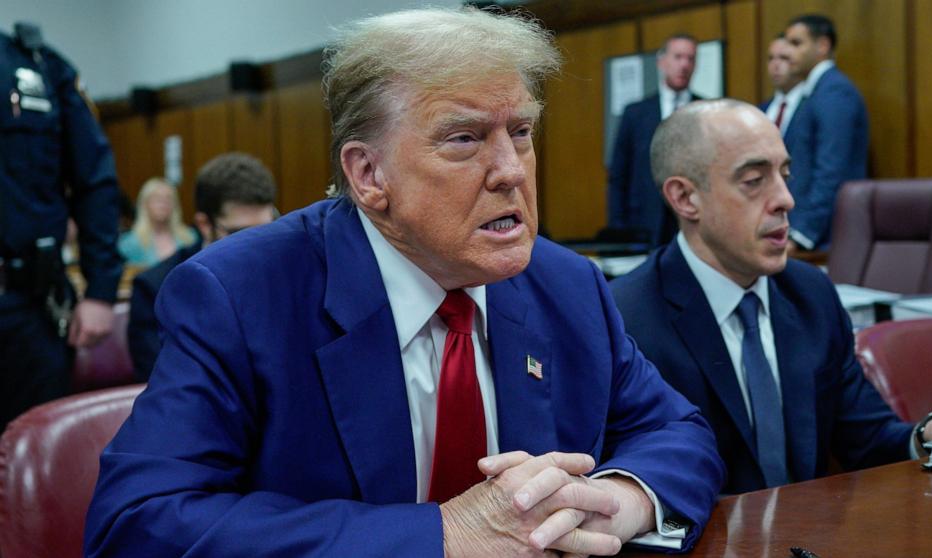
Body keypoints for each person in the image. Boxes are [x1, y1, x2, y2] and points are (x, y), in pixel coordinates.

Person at [85, 8, 724, 557]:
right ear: (368, 175)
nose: (511, 171)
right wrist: (438, 536)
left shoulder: (568, 285)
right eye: (464, 139)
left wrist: (617, 499)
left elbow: (679, 434)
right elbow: (137, 523)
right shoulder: (239, 294)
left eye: (521, 133)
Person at [610, 99, 932, 494]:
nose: (786, 199)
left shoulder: (811, 293)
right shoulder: (626, 317)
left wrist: (929, 435)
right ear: (686, 198)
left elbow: (866, 438)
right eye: (754, 181)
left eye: (785, 174)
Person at [0, 25, 122, 433]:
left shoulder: (38, 65)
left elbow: (95, 181)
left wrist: (102, 290)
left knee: (28, 453)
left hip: (25, 308)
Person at [127, 152, 277, 381]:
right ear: (204, 224)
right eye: (241, 233)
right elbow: (165, 383)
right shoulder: (154, 287)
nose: (256, 246)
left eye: (266, 230)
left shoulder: (282, 274)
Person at [782, 14, 868, 251]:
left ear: (822, 46)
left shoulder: (835, 92)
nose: (788, 52)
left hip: (826, 237)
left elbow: (831, 171)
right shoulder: (815, 91)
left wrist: (801, 235)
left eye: (796, 43)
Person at [607, 33, 700, 247]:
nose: (684, 65)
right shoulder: (635, 113)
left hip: (690, 217)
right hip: (643, 222)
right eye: (678, 57)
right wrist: (618, 229)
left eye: (691, 58)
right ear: (662, 62)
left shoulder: (704, 111)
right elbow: (619, 176)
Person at [117, 177, 197, 267]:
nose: (163, 204)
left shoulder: (190, 238)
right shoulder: (129, 243)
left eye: (168, 199)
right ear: (145, 204)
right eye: (157, 199)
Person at [759, 35, 804, 136]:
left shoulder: (811, 106)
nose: (775, 65)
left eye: (784, 58)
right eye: (771, 58)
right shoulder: (761, 111)